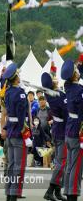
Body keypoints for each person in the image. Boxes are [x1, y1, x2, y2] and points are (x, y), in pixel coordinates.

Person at [2, 63, 29, 201]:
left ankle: (8, 193)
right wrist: (24, 131)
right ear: (16, 77)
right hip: (18, 132)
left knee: (11, 164)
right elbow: (21, 115)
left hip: (10, 130)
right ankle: (13, 194)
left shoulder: (8, 91)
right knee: (18, 165)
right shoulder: (20, 93)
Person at [41, 71, 67, 201]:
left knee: (60, 162)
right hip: (63, 131)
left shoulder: (50, 94)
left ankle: (57, 191)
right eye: (54, 78)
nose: (56, 78)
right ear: (53, 83)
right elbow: (66, 113)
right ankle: (50, 190)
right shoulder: (59, 95)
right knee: (61, 163)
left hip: (57, 129)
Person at [60, 59, 83, 201]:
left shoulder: (68, 86)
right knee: (76, 166)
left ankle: (69, 191)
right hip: (76, 131)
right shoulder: (79, 90)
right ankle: (73, 193)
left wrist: (78, 66)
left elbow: (73, 78)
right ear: (74, 75)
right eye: (76, 70)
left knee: (70, 165)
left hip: (68, 130)